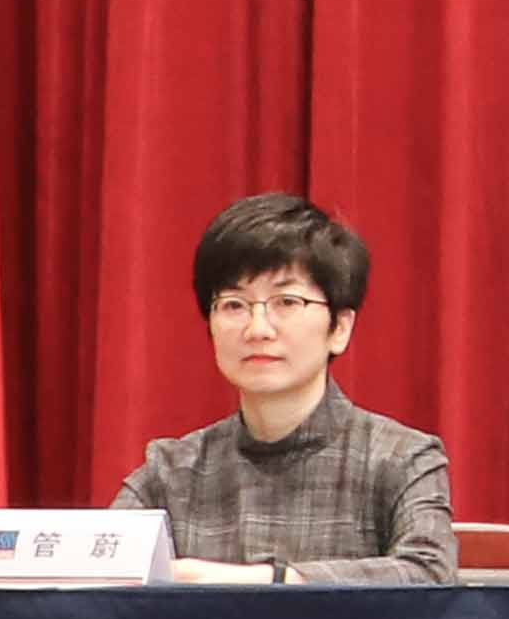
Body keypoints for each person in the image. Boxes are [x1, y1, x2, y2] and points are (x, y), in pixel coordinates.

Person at [112, 191, 457, 582]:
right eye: (234, 305)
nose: (258, 329)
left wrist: (274, 581)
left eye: (286, 302)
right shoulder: (170, 472)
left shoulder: (401, 458)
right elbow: (99, 574)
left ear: (340, 328)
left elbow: (429, 572)